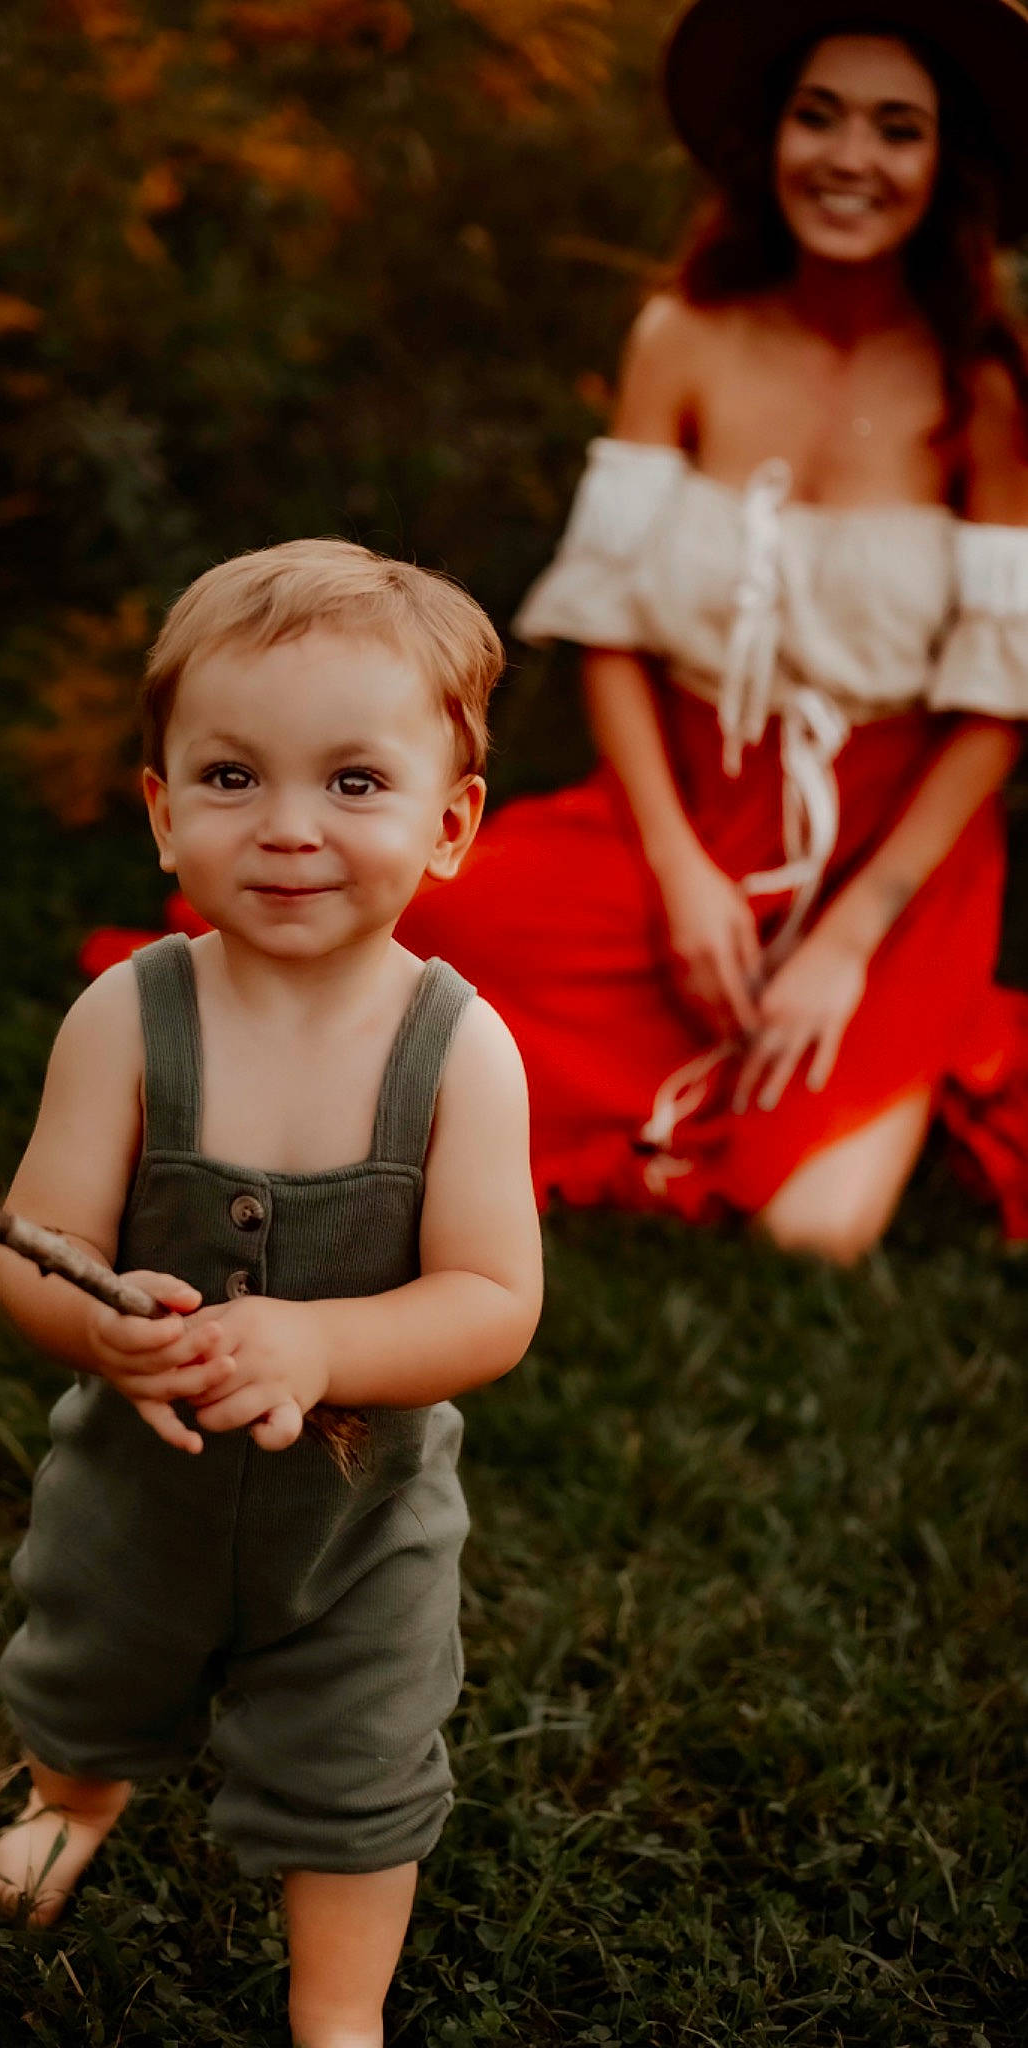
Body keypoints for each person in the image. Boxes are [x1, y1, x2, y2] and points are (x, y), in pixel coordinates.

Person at [0, 539, 543, 2048]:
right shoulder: (126, 1019)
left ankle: (337, 2014)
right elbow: (26, 1243)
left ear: (451, 825)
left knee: (357, 1771)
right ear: (163, 814)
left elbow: (492, 1299)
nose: (288, 828)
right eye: (231, 779)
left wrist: (320, 1338)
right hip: (134, 1499)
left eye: (354, 784)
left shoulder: (458, 1055)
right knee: (87, 1670)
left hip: (355, 1535)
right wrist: (94, 1323)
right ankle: (73, 1803)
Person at [394, 0, 1028, 1261]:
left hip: (896, 852)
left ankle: (904, 1035)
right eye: (819, 115)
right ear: (769, 137)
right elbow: (611, 629)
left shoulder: (982, 387)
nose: (850, 158)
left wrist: (850, 938)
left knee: (812, 1229)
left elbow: (998, 700)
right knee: (414, 924)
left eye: (897, 129)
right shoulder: (681, 336)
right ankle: (683, 1006)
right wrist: (682, 873)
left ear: (942, 164)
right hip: (679, 802)